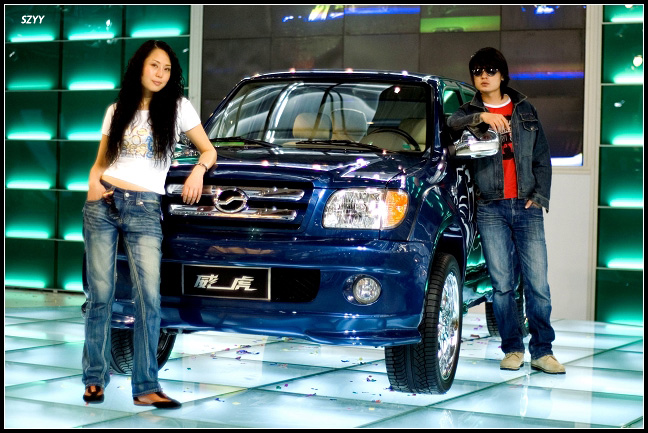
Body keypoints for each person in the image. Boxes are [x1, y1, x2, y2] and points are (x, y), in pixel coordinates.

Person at [82, 40, 217, 408]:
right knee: (101, 296)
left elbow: (209, 149)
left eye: (167, 69)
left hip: (144, 207)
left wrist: (198, 171)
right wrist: (93, 186)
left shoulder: (178, 108)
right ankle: (94, 379)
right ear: (139, 67)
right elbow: (100, 162)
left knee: (149, 299)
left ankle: (145, 387)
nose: (160, 74)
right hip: (103, 203)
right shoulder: (116, 110)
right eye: (154, 65)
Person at [447, 47, 565, 374]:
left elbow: (542, 156)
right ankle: (512, 348)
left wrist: (539, 196)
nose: (483, 76)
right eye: (477, 71)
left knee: (537, 285)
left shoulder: (525, 109)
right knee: (501, 286)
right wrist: (481, 117)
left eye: (490, 70)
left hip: (526, 207)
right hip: (490, 207)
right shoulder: (468, 110)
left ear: (502, 75)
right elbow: (451, 124)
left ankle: (542, 352)